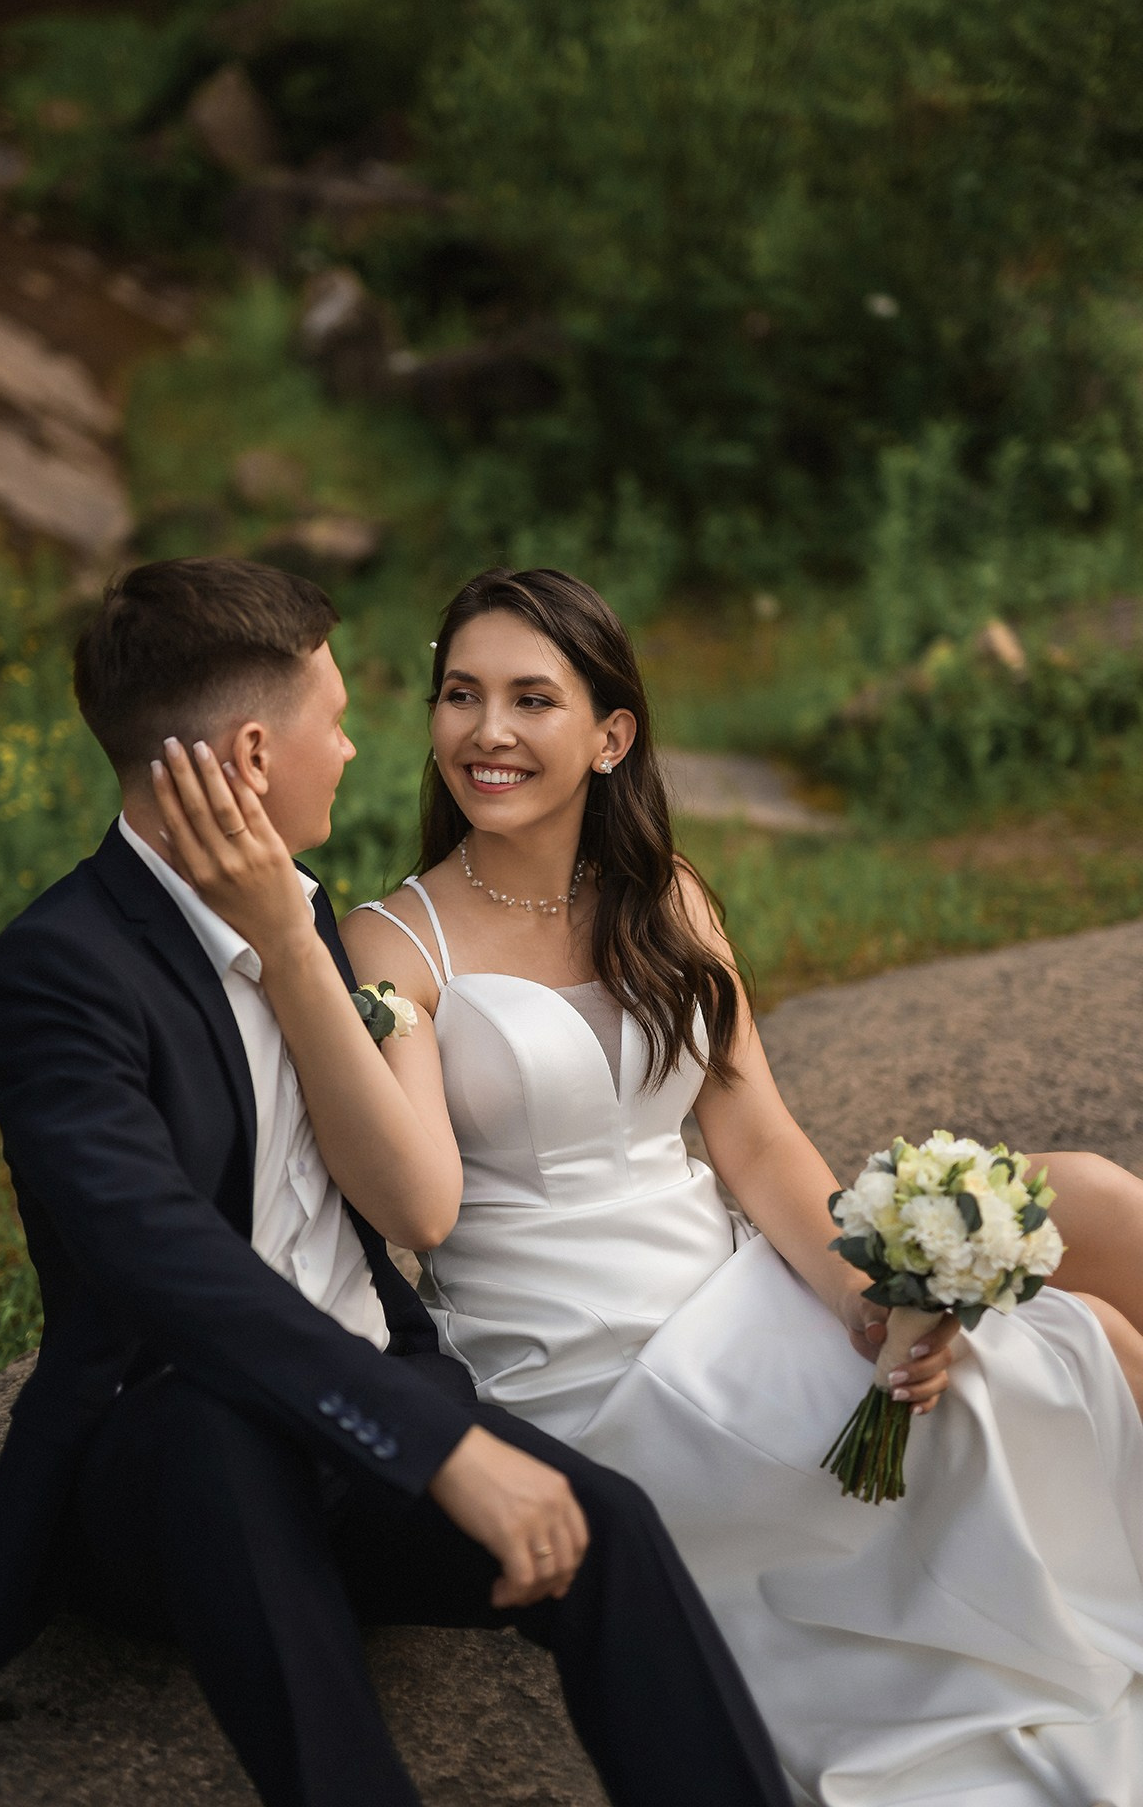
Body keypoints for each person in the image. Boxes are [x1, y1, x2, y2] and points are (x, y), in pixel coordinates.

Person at [173, 565, 1143, 1807]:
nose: (488, 731)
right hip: (588, 1370)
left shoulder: (665, 900)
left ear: (608, 734)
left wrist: (861, 1303)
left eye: (532, 698)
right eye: (459, 695)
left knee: (1070, 1302)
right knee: (1069, 1352)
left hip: (730, 1295)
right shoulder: (387, 944)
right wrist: (291, 947)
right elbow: (417, 1212)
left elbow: (756, 1141)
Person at [0, 558, 794, 1807]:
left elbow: (408, 1198)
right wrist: (435, 1444)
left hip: (368, 1428)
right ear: (249, 752)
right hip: (173, 1465)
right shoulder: (59, 971)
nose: (350, 749)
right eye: (330, 721)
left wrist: (432, 1425)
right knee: (212, 1432)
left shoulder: (314, 919)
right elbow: (169, 1271)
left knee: (602, 1525)